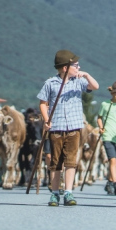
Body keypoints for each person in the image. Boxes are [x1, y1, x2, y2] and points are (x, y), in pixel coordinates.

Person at [36, 50, 99, 207]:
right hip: (56, 127)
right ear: (65, 67)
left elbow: (95, 86)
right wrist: (46, 119)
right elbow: (43, 103)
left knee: (71, 161)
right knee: (56, 162)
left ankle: (69, 192)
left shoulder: (78, 81)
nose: (78, 67)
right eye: (75, 65)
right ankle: (55, 193)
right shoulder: (50, 83)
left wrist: (85, 74)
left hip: (74, 127)